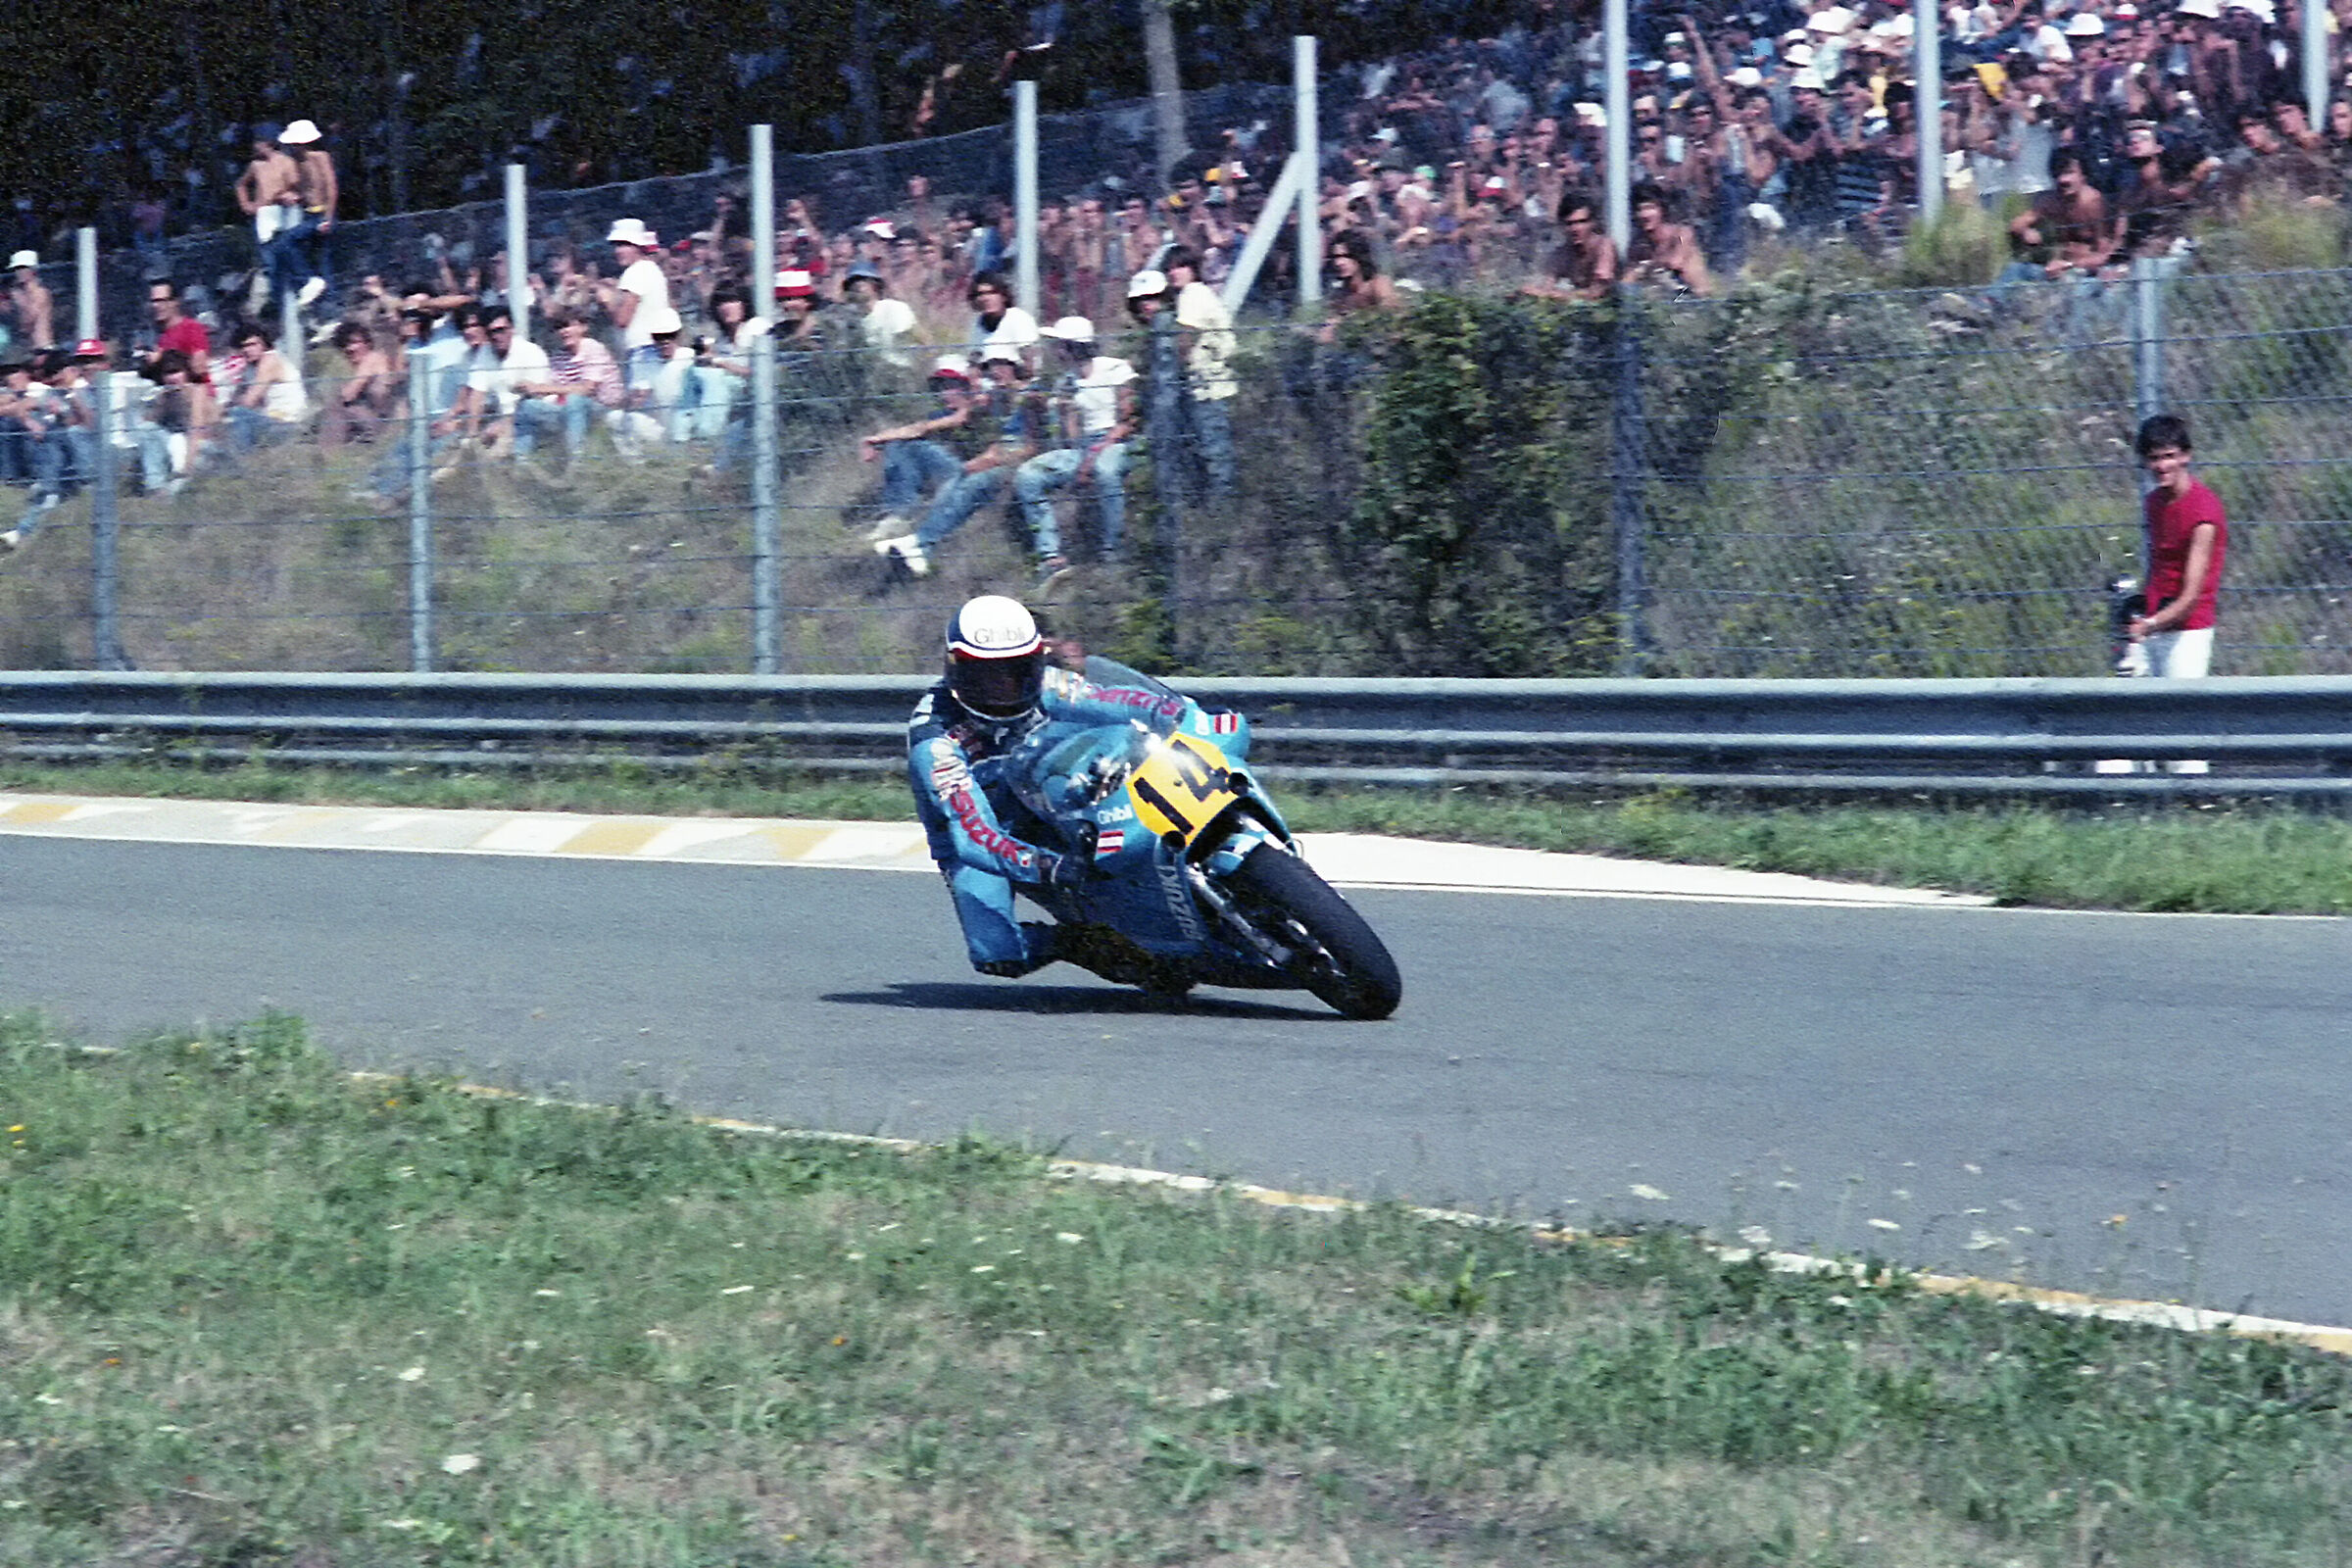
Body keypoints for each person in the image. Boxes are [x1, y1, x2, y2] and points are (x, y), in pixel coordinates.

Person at [906, 595, 1188, 980]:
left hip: (1060, 793)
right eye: (986, 677)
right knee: (998, 953)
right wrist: (1048, 867)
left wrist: (1185, 716)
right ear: (955, 669)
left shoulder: (1051, 684)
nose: (1004, 688)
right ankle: (1074, 941)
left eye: (1018, 671)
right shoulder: (935, 741)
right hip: (992, 832)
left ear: (1038, 661)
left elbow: (1126, 701)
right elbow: (974, 834)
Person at [2127, 412, 2227, 772]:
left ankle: (2195, 798)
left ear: (2186, 456)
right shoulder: (2154, 503)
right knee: (2143, 732)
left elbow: (2190, 597)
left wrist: (2150, 626)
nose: (2162, 466)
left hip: (2187, 631)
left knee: (2185, 742)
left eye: (2169, 456)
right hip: (2154, 625)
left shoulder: (2203, 512)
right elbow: (2158, 568)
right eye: (2154, 458)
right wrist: (2139, 612)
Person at [1012, 316, 1137, 581]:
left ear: (1073, 347)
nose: (1056, 351)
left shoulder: (1114, 369)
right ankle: (1051, 556)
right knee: (1028, 474)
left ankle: (1113, 550)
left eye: (1060, 345)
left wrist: (1095, 453)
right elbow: (1070, 433)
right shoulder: (1066, 382)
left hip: (1117, 441)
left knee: (1105, 471)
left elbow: (1130, 419)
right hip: (1084, 446)